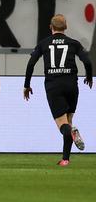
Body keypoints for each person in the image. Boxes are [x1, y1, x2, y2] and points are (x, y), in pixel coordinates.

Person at [23, 14, 92, 167]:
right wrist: (89, 77)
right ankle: (65, 159)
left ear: (50, 27)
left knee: (63, 125)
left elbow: (31, 64)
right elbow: (87, 60)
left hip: (54, 86)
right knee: (68, 121)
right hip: (72, 85)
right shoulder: (74, 43)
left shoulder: (44, 43)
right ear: (66, 27)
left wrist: (27, 85)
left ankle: (71, 135)